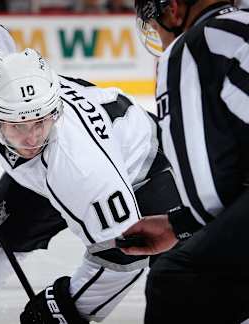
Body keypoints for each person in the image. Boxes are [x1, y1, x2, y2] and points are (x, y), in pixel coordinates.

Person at [0, 20, 182, 323]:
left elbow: (123, 255)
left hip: (144, 175)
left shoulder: (82, 168)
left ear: (55, 111)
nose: (31, 139)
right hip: (50, 173)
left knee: (185, 290)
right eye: (18, 126)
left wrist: (70, 307)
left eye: (40, 121)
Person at [120, 0, 249, 322]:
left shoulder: (192, 47)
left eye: (155, 23)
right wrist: (176, 225)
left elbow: (208, 191)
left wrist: (186, 225)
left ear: (173, 9)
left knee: (179, 280)